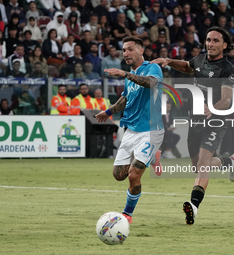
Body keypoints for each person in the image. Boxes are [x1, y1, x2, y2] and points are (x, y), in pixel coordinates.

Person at [151, 26, 234, 225]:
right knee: (198, 166)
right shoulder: (200, 60)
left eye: (216, 40)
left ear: (224, 45)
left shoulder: (228, 69)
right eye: (208, 40)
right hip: (196, 120)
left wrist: (213, 109)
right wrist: (168, 61)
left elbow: (226, 99)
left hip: (216, 120)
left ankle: (193, 206)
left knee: (203, 164)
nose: (210, 44)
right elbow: (187, 66)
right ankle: (230, 161)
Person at [95, 36, 164, 224]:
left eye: (130, 49)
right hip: (131, 130)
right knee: (119, 175)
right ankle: (153, 155)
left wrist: (125, 74)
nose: (125, 53)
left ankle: (127, 214)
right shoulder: (130, 76)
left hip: (151, 130)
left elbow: (151, 83)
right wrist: (108, 112)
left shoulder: (152, 68)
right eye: (124, 50)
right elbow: (125, 99)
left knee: (134, 174)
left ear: (141, 51)